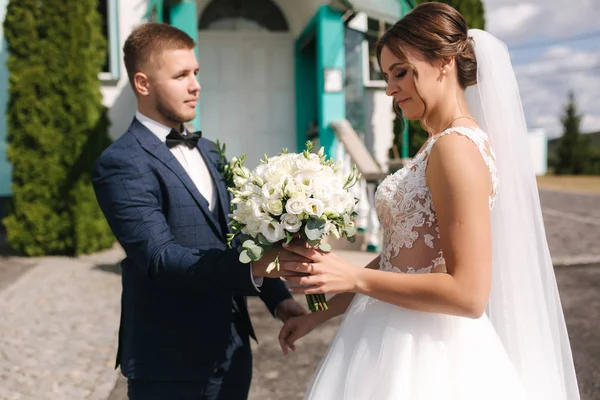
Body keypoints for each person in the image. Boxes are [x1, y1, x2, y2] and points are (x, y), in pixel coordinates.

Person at [278, 3, 580, 399]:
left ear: (445, 62)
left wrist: (353, 275)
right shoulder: (436, 146)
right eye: (387, 77)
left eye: (400, 72)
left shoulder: (456, 148)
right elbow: (401, 257)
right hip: (387, 330)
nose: (389, 89)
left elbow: (469, 295)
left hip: (427, 352)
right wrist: (322, 313)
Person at [91, 23, 307, 400]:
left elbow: (238, 235)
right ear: (143, 84)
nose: (196, 85)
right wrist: (256, 267)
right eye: (181, 75)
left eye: (196, 73)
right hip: (168, 362)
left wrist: (279, 298)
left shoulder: (209, 150)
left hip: (233, 350)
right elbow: (160, 258)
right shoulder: (120, 163)